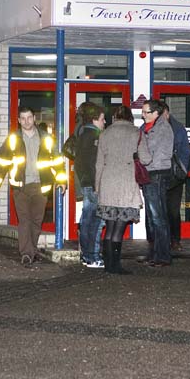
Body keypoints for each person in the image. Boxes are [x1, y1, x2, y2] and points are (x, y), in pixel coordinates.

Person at [0, 107, 67, 267]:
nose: (26, 121)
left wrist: (61, 180)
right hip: (21, 187)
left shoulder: (46, 138)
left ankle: (31, 249)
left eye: (29, 117)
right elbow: (2, 162)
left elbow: (57, 161)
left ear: (34, 118)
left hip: (41, 186)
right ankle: (26, 253)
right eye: (23, 118)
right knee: (24, 220)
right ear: (18, 120)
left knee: (36, 221)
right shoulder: (13, 140)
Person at [95, 105, 150, 274]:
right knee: (119, 228)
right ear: (130, 118)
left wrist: (98, 187)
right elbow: (146, 159)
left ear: (114, 118)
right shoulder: (136, 133)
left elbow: (98, 164)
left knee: (109, 228)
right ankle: (116, 266)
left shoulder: (104, 134)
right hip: (126, 183)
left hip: (108, 183)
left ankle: (108, 265)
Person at [139, 99, 174, 267]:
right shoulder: (147, 127)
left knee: (158, 216)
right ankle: (155, 254)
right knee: (152, 217)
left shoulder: (162, 128)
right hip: (149, 173)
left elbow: (149, 151)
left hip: (157, 173)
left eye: (146, 112)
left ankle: (163, 255)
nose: (142, 115)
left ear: (156, 113)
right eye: (143, 111)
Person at [74, 102, 106, 268]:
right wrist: (97, 185)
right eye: (102, 119)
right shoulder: (94, 136)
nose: (104, 122)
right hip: (94, 184)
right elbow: (94, 163)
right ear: (94, 120)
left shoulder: (82, 133)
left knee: (87, 219)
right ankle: (92, 256)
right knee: (95, 221)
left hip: (87, 182)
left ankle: (86, 255)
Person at [162, 102, 190, 251]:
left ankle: (175, 239)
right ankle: (159, 240)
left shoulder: (178, 128)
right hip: (159, 174)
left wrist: (182, 171)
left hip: (174, 175)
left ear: (167, 113)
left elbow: (185, 152)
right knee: (159, 209)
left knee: (173, 210)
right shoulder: (152, 128)